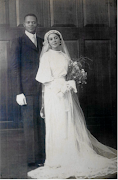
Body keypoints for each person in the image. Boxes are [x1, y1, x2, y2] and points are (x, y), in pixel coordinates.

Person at [28, 30, 117, 179]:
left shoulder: (64, 56)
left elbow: (70, 74)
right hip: (53, 92)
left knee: (68, 121)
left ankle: (71, 154)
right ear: (48, 43)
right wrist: (58, 88)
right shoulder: (46, 56)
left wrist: (72, 81)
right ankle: (57, 159)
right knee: (56, 122)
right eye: (51, 39)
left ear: (60, 40)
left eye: (56, 38)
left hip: (66, 91)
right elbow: (44, 79)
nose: (54, 40)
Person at [11, 14, 45, 166]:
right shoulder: (18, 41)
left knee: (42, 124)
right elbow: (15, 68)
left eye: (33, 22)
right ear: (24, 24)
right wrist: (19, 91)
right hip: (27, 89)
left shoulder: (42, 41)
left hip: (44, 88)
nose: (31, 24)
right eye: (28, 22)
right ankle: (32, 159)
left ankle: (44, 157)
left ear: (37, 23)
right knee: (30, 125)